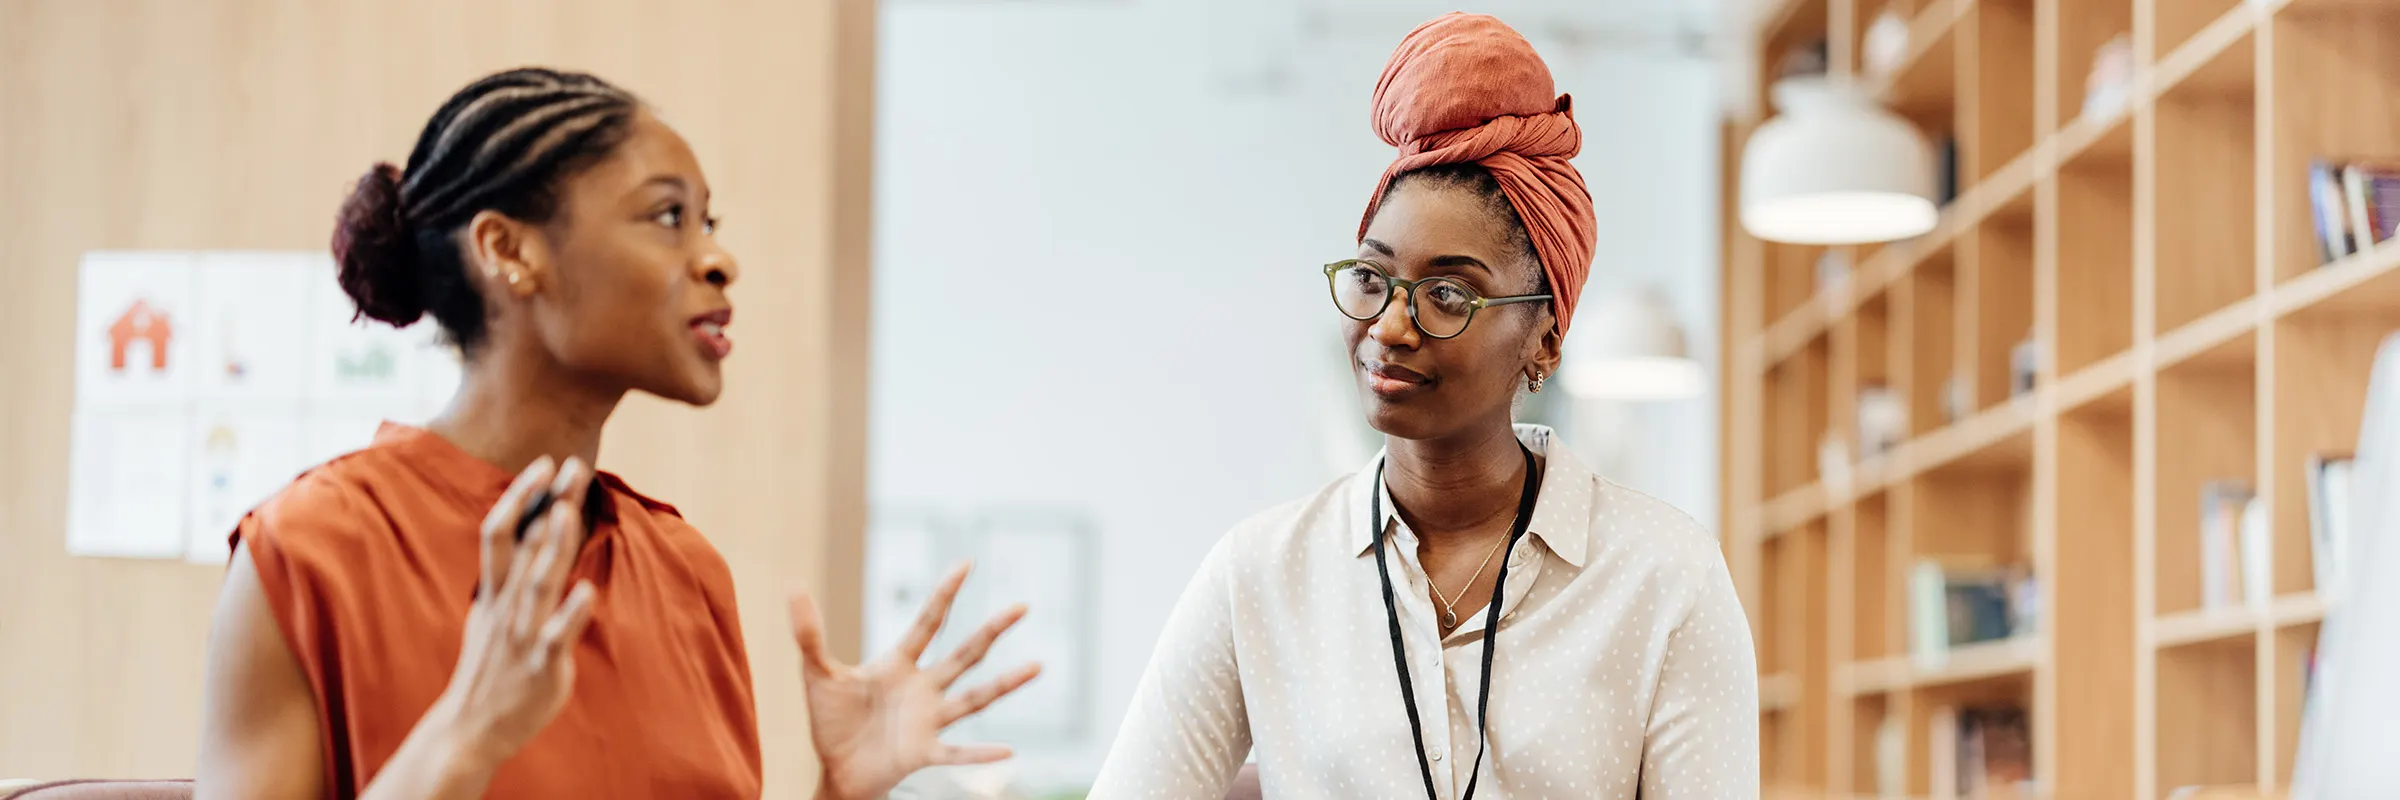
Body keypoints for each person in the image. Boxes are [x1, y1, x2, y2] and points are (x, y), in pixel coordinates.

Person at [194, 68, 1038, 800]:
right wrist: (467, 730)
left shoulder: (685, 571)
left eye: (710, 223)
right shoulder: (308, 549)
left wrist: (841, 792)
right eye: (668, 217)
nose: (718, 260)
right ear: (509, 250)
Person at [1089, 13, 1758, 800]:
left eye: (1447, 293)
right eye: (1373, 280)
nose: (1391, 326)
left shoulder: (1666, 575)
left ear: (1544, 340)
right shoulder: (1261, 573)